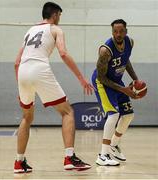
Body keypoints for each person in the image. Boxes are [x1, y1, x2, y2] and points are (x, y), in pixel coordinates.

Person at [14, 2, 93, 173]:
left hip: (23, 72)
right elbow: (63, 53)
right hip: (39, 69)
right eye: (60, 16)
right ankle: (69, 157)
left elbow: (16, 62)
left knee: (26, 117)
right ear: (55, 14)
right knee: (67, 112)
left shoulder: (29, 31)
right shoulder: (56, 29)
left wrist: (19, 88)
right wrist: (81, 78)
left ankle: (19, 162)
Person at [92, 19, 139, 166]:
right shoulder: (106, 51)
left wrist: (136, 80)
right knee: (113, 115)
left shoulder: (129, 42)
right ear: (112, 32)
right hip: (102, 83)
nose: (118, 34)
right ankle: (103, 155)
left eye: (121, 31)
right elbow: (101, 77)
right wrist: (123, 89)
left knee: (128, 115)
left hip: (117, 82)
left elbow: (126, 61)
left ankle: (113, 145)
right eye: (115, 32)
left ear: (126, 31)